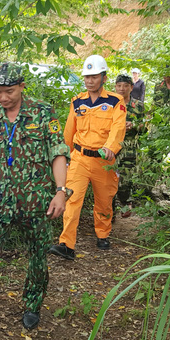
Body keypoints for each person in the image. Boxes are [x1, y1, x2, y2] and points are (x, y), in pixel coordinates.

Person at [0, 63, 70, 330]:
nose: (4, 97)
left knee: (38, 255)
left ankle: (32, 304)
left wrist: (60, 191)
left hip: (37, 199)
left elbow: (58, 152)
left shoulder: (43, 113)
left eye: (9, 91)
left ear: (22, 86)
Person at [48, 54, 126, 259]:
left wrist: (111, 147)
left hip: (104, 160)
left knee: (104, 200)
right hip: (79, 158)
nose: (89, 81)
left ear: (104, 77)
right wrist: (62, 158)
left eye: (94, 77)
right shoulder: (77, 102)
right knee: (71, 199)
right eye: (86, 77)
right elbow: (68, 132)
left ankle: (103, 234)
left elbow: (118, 129)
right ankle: (66, 244)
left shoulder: (115, 102)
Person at [114, 74, 144, 216]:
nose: (122, 89)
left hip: (129, 149)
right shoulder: (110, 105)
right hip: (112, 147)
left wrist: (135, 125)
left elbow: (146, 127)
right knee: (108, 181)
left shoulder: (138, 106)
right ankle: (109, 213)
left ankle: (126, 203)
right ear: (115, 87)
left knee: (125, 181)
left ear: (131, 88)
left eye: (125, 86)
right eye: (119, 86)